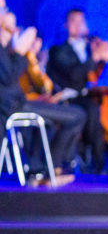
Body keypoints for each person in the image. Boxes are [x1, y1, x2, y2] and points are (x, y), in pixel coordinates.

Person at [0, 11, 85, 185]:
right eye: (3, 9)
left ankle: (42, 170)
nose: (6, 13)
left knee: (60, 116)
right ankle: (49, 170)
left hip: (18, 101)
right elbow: (9, 77)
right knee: (77, 115)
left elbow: (40, 83)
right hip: (11, 105)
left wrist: (28, 55)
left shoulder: (7, 46)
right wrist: (20, 52)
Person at [46, 8, 108, 173]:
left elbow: (101, 75)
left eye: (81, 21)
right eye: (73, 21)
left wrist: (107, 58)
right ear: (66, 25)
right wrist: (94, 58)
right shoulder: (58, 50)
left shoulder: (91, 47)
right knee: (92, 110)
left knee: (104, 110)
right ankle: (98, 162)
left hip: (92, 95)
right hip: (70, 96)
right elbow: (74, 76)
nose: (78, 25)